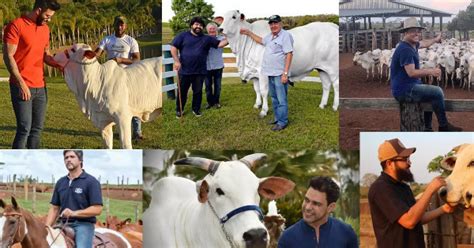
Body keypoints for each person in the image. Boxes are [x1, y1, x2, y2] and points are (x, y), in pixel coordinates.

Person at [368, 138, 455, 248]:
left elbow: (418, 218)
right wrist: (430, 190)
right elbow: (409, 221)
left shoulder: (403, 187)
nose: (409, 163)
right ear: (390, 163)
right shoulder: (380, 188)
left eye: (408, 158)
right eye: (405, 159)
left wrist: (444, 209)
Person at [3, 0, 62, 149]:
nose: (49, 19)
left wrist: (60, 64)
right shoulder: (17, 25)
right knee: (24, 129)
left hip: (40, 87)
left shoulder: (45, 29)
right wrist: (22, 84)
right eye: (47, 15)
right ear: (38, 10)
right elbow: (8, 56)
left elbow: (45, 55)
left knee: (37, 130)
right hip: (21, 86)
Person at [390, 17, 462, 131]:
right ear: (405, 32)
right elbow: (411, 73)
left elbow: (424, 43)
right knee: (437, 92)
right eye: (413, 30)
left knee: (430, 95)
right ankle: (443, 126)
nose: (417, 33)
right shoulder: (405, 49)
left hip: (409, 86)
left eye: (418, 30)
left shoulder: (412, 44)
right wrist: (431, 71)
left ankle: (427, 128)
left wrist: (436, 39)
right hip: (404, 90)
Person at [240, 15, 293, 131]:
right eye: (271, 24)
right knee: (274, 97)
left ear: (280, 24)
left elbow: (289, 54)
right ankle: (277, 117)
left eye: (276, 23)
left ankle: (283, 122)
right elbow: (261, 40)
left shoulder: (285, 36)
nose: (273, 26)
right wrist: (249, 33)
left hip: (279, 73)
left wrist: (285, 73)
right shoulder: (270, 36)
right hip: (270, 73)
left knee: (281, 99)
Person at [95, 16, 144, 140]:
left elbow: (137, 60)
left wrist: (121, 60)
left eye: (122, 24)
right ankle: (118, 130)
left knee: (133, 103)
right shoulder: (107, 40)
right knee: (113, 105)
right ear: (114, 25)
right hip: (111, 78)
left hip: (129, 76)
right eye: (118, 24)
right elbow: (97, 54)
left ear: (125, 26)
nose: (120, 27)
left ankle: (137, 131)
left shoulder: (131, 41)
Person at [171, 16, 228, 118]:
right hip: (184, 70)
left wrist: (231, 38)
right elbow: (173, 47)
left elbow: (220, 44)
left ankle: (196, 109)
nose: (198, 27)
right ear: (192, 26)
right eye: (196, 24)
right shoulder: (182, 36)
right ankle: (179, 110)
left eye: (201, 25)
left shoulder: (206, 38)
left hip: (199, 71)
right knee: (182, 91)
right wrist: (176, 61)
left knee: (197, 92)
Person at [278, 176, 358, 248]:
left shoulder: (347, 233)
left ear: (331, 207)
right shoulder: (287, 238)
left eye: (316, 204)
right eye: (306, 200)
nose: (308, 207)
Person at [46, 150, 103, 248]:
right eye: (66, 158)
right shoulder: (61, 182)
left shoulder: (91, 182)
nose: (68, 160)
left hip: (83, 225)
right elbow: (55, 208)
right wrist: (46, 227)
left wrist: (73, 213)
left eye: (72, 157)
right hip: (62, 224)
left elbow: (97, 209)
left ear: (80, 160)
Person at [205, 22, 225, 109]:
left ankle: (216, 102)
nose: (212, 30)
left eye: (214, 28)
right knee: (208, 86)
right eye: (210, 29)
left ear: (216, 29)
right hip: (206, 66)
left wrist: (224, 31)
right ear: (207, 30)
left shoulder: (221, 38)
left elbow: (229, 39)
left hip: (218, 66)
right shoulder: (204, 39)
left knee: (218, 86)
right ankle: (210, 102)